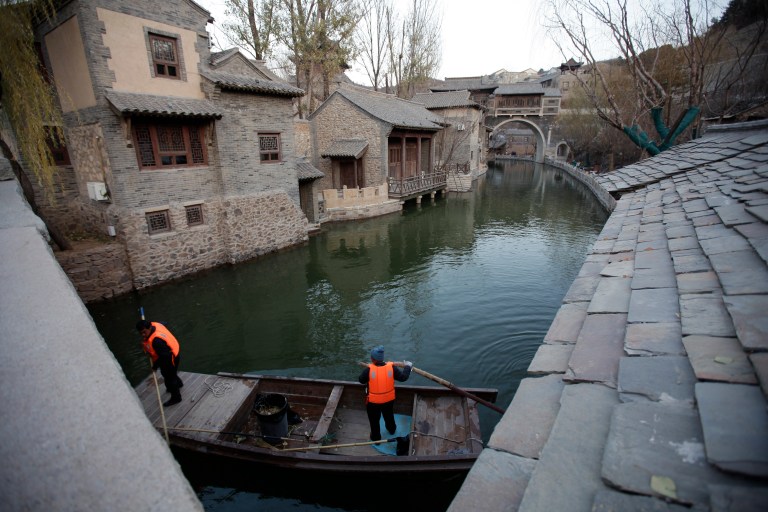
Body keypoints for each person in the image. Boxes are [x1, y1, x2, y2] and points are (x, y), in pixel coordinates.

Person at [358, 345, 412, 441]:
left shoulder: (368, 370)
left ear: (372, 359)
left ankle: (376, 437)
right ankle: (392, 430)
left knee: (374, 420)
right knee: (388, 415)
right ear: (382, 358)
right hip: (388, 400)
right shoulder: (392, 368)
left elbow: (361, 380)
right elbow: (403, 378)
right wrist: (408, 366)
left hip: (373, 402)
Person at [136, 320, 183, 407]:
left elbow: (164, 357)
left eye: (144, 332)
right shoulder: (155, 324)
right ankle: (179, 384)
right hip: (174, 352)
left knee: (169, 378)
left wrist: (155, 366)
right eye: (140, 333)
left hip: (170, 358)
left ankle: (176, 398)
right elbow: (164, 323)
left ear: (149, 328)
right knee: (172, 374)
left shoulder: (156, 341)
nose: (142, 335)